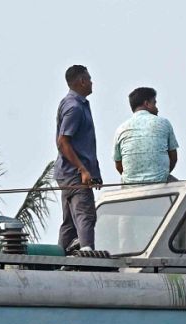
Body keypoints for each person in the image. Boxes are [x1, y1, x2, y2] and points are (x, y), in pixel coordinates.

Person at [54, 64, 102, 253]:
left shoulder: (75, 104)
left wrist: (93, 173)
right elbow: (63, 142)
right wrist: (82, 170)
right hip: (74, 173)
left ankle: (59, 257)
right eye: (89, 79)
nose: (91, 82)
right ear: (82, 81)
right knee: (85, 214)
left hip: (70, 173)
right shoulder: (74, 107)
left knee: (69, 222)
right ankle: (87, 254)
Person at [112, 87, 179, 185]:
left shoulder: (120, 129)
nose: (157, 109)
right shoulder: (163, 123)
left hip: (130, 186)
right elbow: (173, 157)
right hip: (160, 183)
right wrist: (158, 176)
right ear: (146, 103)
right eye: (154, 103)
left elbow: (118, 165)